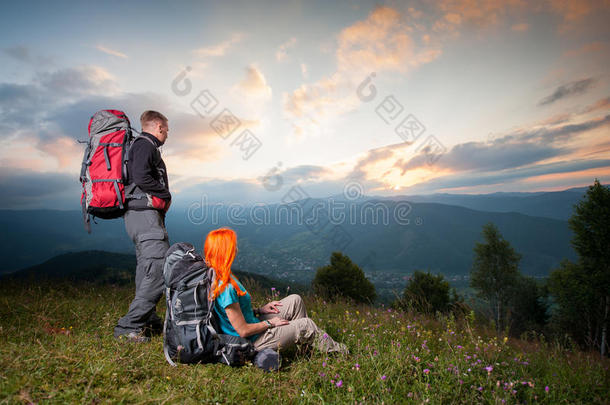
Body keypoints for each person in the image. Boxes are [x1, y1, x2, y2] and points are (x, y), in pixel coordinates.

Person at [204, 227, 348, 354]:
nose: (236, 249)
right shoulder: (226, 287)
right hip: (253, 341)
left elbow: (232, 314)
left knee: (295, 301)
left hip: (254, 325)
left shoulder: (220, 276)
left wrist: (259, 310)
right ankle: (342, 354)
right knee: (306, 324)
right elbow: (243, 330)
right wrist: (270, 323)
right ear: (225, 252)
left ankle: (306, 349)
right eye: (233, 246)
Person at [114, 110, 172, 342]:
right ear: (158, 126)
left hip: (140, 217)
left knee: (146, 269)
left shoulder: (141, 146)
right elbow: (141, 177)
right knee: (158, 267)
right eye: (167, 129)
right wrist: (165, 194)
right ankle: (128, 327)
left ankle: (149, 321)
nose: (167, 133)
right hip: (144, 217)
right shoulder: (145, 145)